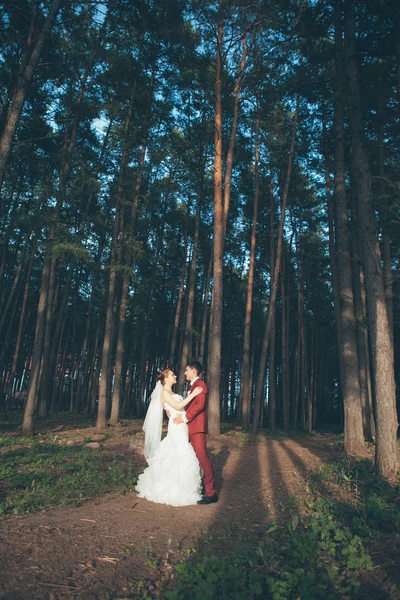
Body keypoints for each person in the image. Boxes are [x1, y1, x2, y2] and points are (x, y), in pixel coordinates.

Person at [135, 369, 203, 506]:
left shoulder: (171, 393)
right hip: (176, 427)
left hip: (182, 425)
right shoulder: (165, 393)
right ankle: (177, 490)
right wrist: (193, 395)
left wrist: (187, 396)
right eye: (172, 375)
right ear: (166, 379)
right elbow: (178, 405)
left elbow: (177, 407)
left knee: (177, 452)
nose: (175, 376)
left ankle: (182, 486)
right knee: (182, 452)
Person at [173, 361, 218, 505]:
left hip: (197, 427)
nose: (185, 373)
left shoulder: (201, 385)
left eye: (186, 370)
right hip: (191, 427)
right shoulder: (193, 386)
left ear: (194, 371)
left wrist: (184, 417)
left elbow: (199, 405)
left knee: (202, 457)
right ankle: (198, 488)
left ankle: (211, 493)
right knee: (193, 458)